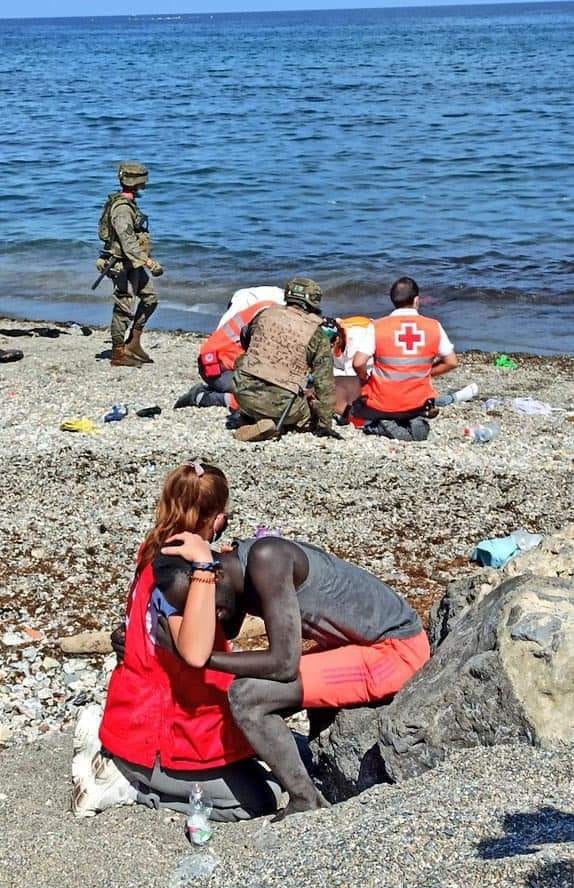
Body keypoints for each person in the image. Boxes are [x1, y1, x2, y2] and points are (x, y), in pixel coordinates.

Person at [154, 534, 430, 818]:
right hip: (360, 648)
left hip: (394, 652)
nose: (210, 614)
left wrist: (201, 661)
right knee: (244, 693)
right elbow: (229, 629)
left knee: (247, 696)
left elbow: (283, 664)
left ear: (218, 573)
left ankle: (305, 800)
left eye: (203, 603)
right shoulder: (235, 568)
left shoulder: (266, 559)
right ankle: (312, 776)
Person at [71, 461, 281, 822]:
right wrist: (203, 567)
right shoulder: (183, 575)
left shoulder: (153, 548)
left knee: (289, 759)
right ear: (214, 519)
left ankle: (116, 756)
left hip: (138, 715)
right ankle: (128, 785)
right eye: (222, 514)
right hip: (159, 736)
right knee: (262, 799)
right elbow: (196, 653)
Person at [232, 277, 340, 443]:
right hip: (282, 407)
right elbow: (324, 384)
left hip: (242, 394)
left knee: (242, 361)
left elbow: (246, 340)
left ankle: (250, 417)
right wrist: (324, 423)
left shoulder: (265, 314)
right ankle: (271, 421)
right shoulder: (317, 334)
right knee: (308, 414)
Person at [352, 276, 458, 441]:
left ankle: (386, 424)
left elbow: (358, 362)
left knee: (358, 406)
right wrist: (426, 373)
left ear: (393, 300)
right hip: (419, 402)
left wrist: (364, 378)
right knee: (413, 410)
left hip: (382, 403)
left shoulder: (377, 326)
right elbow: (451, 362)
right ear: (416, 300)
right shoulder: (433, 326)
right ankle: (413, 420)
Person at [97, 162, 163, 367]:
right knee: (123, 307)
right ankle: (118, 354)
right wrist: (149, 262)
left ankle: (133, 342)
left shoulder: (127, 204)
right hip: (122, 264)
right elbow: (127, 241)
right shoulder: (122, 209)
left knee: (150, 299)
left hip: (131, 263)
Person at [173, 298, 278, 410]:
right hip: (216, 366)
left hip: (223, 362)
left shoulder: (271, 308)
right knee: (259, 401)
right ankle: (202, 397)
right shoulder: (267, 317)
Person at [321, 315, 375, 421]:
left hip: (367, 361)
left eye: (327, 347)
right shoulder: (329, 333)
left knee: (349, 385)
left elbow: (354, 372)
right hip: (345, 358)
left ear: (337, 340)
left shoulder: (357, 339)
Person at [216, 286, 285, 330]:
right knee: (225, 327)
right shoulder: (282, 301)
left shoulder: (281, 297)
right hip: (244, 298)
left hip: (247, 296)